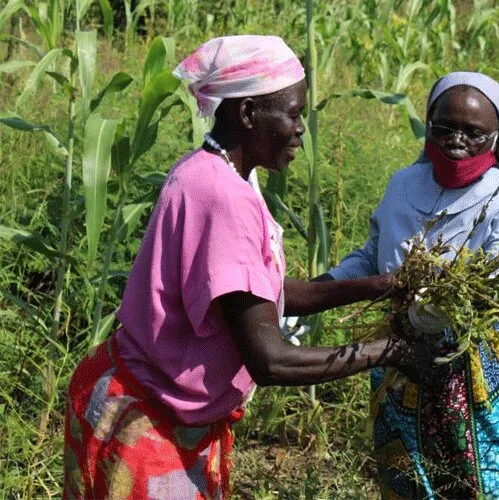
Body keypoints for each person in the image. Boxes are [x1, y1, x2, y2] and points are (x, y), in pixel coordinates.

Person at [62, 35, 436, 499]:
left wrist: (382, 285)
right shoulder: (225, 200)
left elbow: (265, 294)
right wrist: (388, 351)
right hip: (148, 422)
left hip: (132, 393)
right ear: (248, 114)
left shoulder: (211, 171)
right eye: (294, 114)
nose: (302, 130)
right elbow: (270, 359)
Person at [322, 72, 499, 498]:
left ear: (496, 139)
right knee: (409, 476)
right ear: (428, 126)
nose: (457, 140)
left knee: (485, 481)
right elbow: (372, 255)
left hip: (486, 364)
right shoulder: (403, 185)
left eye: (474, 133)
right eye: (445, 128)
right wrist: (319, 289)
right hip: (403, 354)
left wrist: (440, 297)